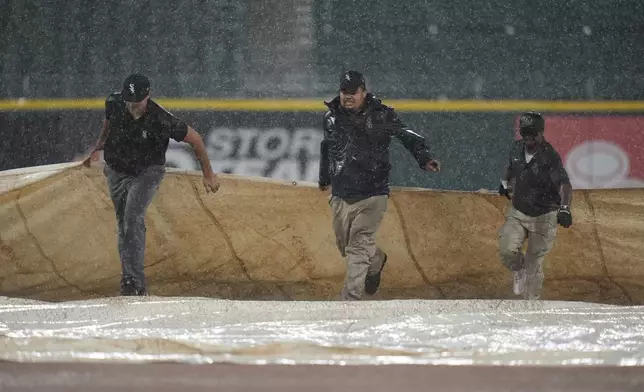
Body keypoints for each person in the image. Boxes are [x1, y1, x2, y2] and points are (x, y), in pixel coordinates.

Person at [83, 73, 220, 296]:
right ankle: (129, 277)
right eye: (129, 102)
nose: (132, 107)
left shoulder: (160, 118)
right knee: (123, 225)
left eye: (137, 103)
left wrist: (209, 174)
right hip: (116, 170)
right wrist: (100, 144)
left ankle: (133, 283)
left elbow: (195, 139)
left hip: (147, 172)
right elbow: (108, 121)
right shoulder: (113, 102)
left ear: (148, 96)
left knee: (132, 218)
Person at [318, 71, 441, 301]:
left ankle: (350, 299)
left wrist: (424, 158)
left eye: (353, 92)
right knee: (346, 246)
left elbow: (407, 136)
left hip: (373, 193)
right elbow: (327, 148)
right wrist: (324, 178)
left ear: (363, 92)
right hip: (342, 194)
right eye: (344, 92)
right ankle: (376, 260)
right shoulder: (331, 117)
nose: (348, 97)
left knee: (357, 245)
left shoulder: (382, 115)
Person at [498, 111, 573, 300]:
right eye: (525, 136)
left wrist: (564, 208)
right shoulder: (516, 148)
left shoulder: (550, 157)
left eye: (532, 137)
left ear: (541, 133)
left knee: (534, 262)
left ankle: (531, 304)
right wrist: (504, 182)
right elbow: (510, 166)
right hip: (519, 210)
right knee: (506, 250)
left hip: (544, 214)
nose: (528, 141)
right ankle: (518, 269)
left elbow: (564, 184)